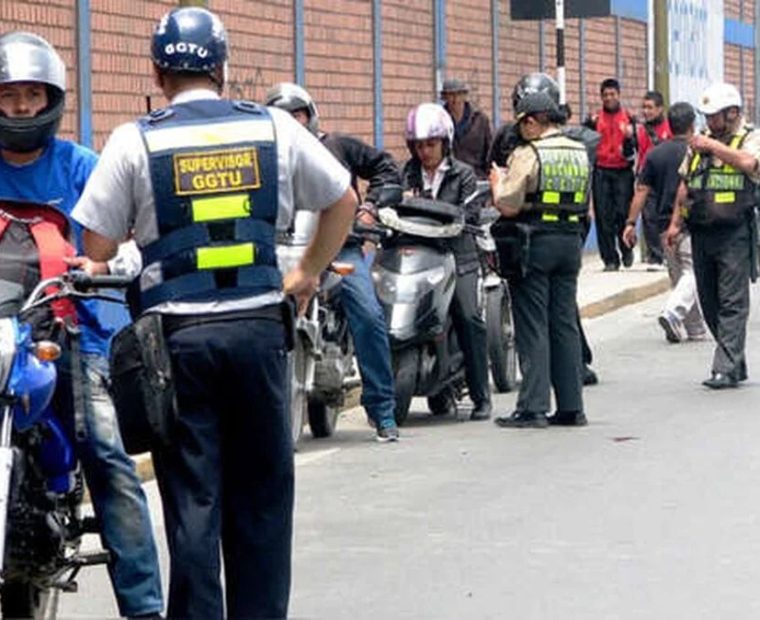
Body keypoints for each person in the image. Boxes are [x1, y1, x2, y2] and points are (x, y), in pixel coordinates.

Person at [72, 7, 357, 619]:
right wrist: (306, 272)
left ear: (156, 71)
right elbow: (343, 199)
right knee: (261, 498)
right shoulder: (275, 128)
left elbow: (95, 247)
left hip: (178, 342)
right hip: (259, 332)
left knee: (193, 501)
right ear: (224, 69)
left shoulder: (135, 139)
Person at [0, 32, 163, 619]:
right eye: (9, 95)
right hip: (2, 334)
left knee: (108, 458)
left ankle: (144, 608)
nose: (20, 107)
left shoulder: (82, 167)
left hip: (74, 330)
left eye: (31, 95)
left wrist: (97, 265)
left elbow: (132, 247)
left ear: (53, 98)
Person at [265, 82, 400, 441]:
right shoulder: (267, 158)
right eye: (283, 117)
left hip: (340, 248)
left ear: (310, 115)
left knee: (368, 314)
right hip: (285, 249)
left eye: (298, 114)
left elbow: (387, 168)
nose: (292, 122)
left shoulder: (336, 146)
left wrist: (370, 207)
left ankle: (383, 410)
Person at [489, 73, 600, 387]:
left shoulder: (536, 149)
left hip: (533, 236)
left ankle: (535, 401)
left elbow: (506, 197)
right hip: (564, 234)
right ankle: (570, 396)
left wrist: (500, 186)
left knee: (535, 317)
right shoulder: (575, 148)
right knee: (562, 311)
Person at [665, 82, 760, 389]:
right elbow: (685, 182)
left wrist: (715, 148)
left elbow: (749, 163)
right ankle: (734, 361)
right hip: (702, 231)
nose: (709, 122)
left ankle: (724, 368)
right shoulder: (701, 141)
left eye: (714, 116)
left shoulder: (750, 137)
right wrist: (675, 224)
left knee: (732, 301)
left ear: (732, 113)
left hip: (735, 232)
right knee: (708, 301)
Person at [401, 102, 492, 420]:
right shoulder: (406, 173)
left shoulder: (464, 175)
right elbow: (388, 198)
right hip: (417, 256)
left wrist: (433, 210)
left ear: (445, 143)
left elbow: (468, 212)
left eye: (431, 144)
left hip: (458, 257)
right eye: (419, 145)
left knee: (468, 317)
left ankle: (482, 395)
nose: (425, 151)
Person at [623, 102, 706, 343]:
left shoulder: (655, 154)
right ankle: (672, 312)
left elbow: (641, 191)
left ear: (669, 124)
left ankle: (696, 329)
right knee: (693, 273)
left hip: (662, 225)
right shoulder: (698, 152)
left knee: (680, 277)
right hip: (690, 222)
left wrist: (630, 222)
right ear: (692, 125)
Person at [585, 78, 636, 271]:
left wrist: (630, 137)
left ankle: (627, 249)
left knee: (623, 214)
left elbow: (635, 148)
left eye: (612, 94)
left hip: (623, 172)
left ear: (619, 95)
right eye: (605, 95)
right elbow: (585, 140)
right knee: (603, 217)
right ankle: (610, 259)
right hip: (602, 171)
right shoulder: (595, 119)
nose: (609, 98)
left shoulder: (628, 118)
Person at [636, 90, 672, 265]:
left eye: (650, 107)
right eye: (644, 107)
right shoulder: (642, 131)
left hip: (666, 177)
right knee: (648, 217)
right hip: (647, 176)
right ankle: (655, 256)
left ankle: (668, 252)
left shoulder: (669, 128)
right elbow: (640, 154)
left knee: (665, 215)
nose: (646, 111)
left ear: (660, 109)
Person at [440, 78, 493, 178]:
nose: (455, 99)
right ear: (445, 97)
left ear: (465, 96)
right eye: (451, 95)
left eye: (459, 94)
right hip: (449, 179)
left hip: (477, 177)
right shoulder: (439, 120)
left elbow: (489, 154)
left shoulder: (480, 120)